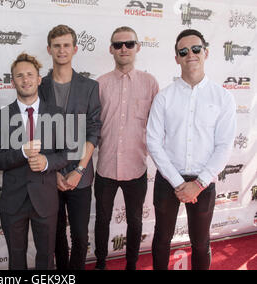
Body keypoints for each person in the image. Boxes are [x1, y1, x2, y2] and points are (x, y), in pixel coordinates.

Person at [146, 29, 236, 270]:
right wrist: (177, 182)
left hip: (203, 183)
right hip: (168, 180)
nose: (190, 55)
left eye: (196, 49)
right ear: (176, 58)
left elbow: (224, 145)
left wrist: (198, 183)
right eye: (183, 51)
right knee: (162, 239)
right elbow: (153, 141)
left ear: (205, 52)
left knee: (200, 242)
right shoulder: (164, 97)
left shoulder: (223, 97)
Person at [0, 53, 69, 270]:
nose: (26, 80)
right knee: (16, 258)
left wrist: (46, 163)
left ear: (39, 79)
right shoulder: (0, 117)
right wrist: (21, 152)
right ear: (12, 82)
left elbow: (66, 154)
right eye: (20, 76)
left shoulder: (58, 114)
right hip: (13, 202)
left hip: (46, 200)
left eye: (30, 75)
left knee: (46, 258)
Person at [94, 26, 159, 270]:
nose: (124, 49)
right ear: (111, 49)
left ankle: (131, 265)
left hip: (137, 167)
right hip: (105, 167)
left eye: (129, 44)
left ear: (138, 47)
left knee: (135, 221)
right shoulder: (99, 84)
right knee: (102, 220)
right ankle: (100, 263)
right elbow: (93, 127)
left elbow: (157, 126)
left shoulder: (150, 83)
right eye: (118, 44)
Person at [38, 24, 101, 270]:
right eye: (57, 46)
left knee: (80, 237)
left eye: (66, 45)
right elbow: (35, 132)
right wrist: (52, 172)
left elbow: (94, 131)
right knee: (55, 237)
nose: (61, 50)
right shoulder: (40, 86)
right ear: (49, 49)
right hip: (49, 176)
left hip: (80, 177)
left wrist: (79, 171)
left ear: (74, 49)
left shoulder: (89, 87)